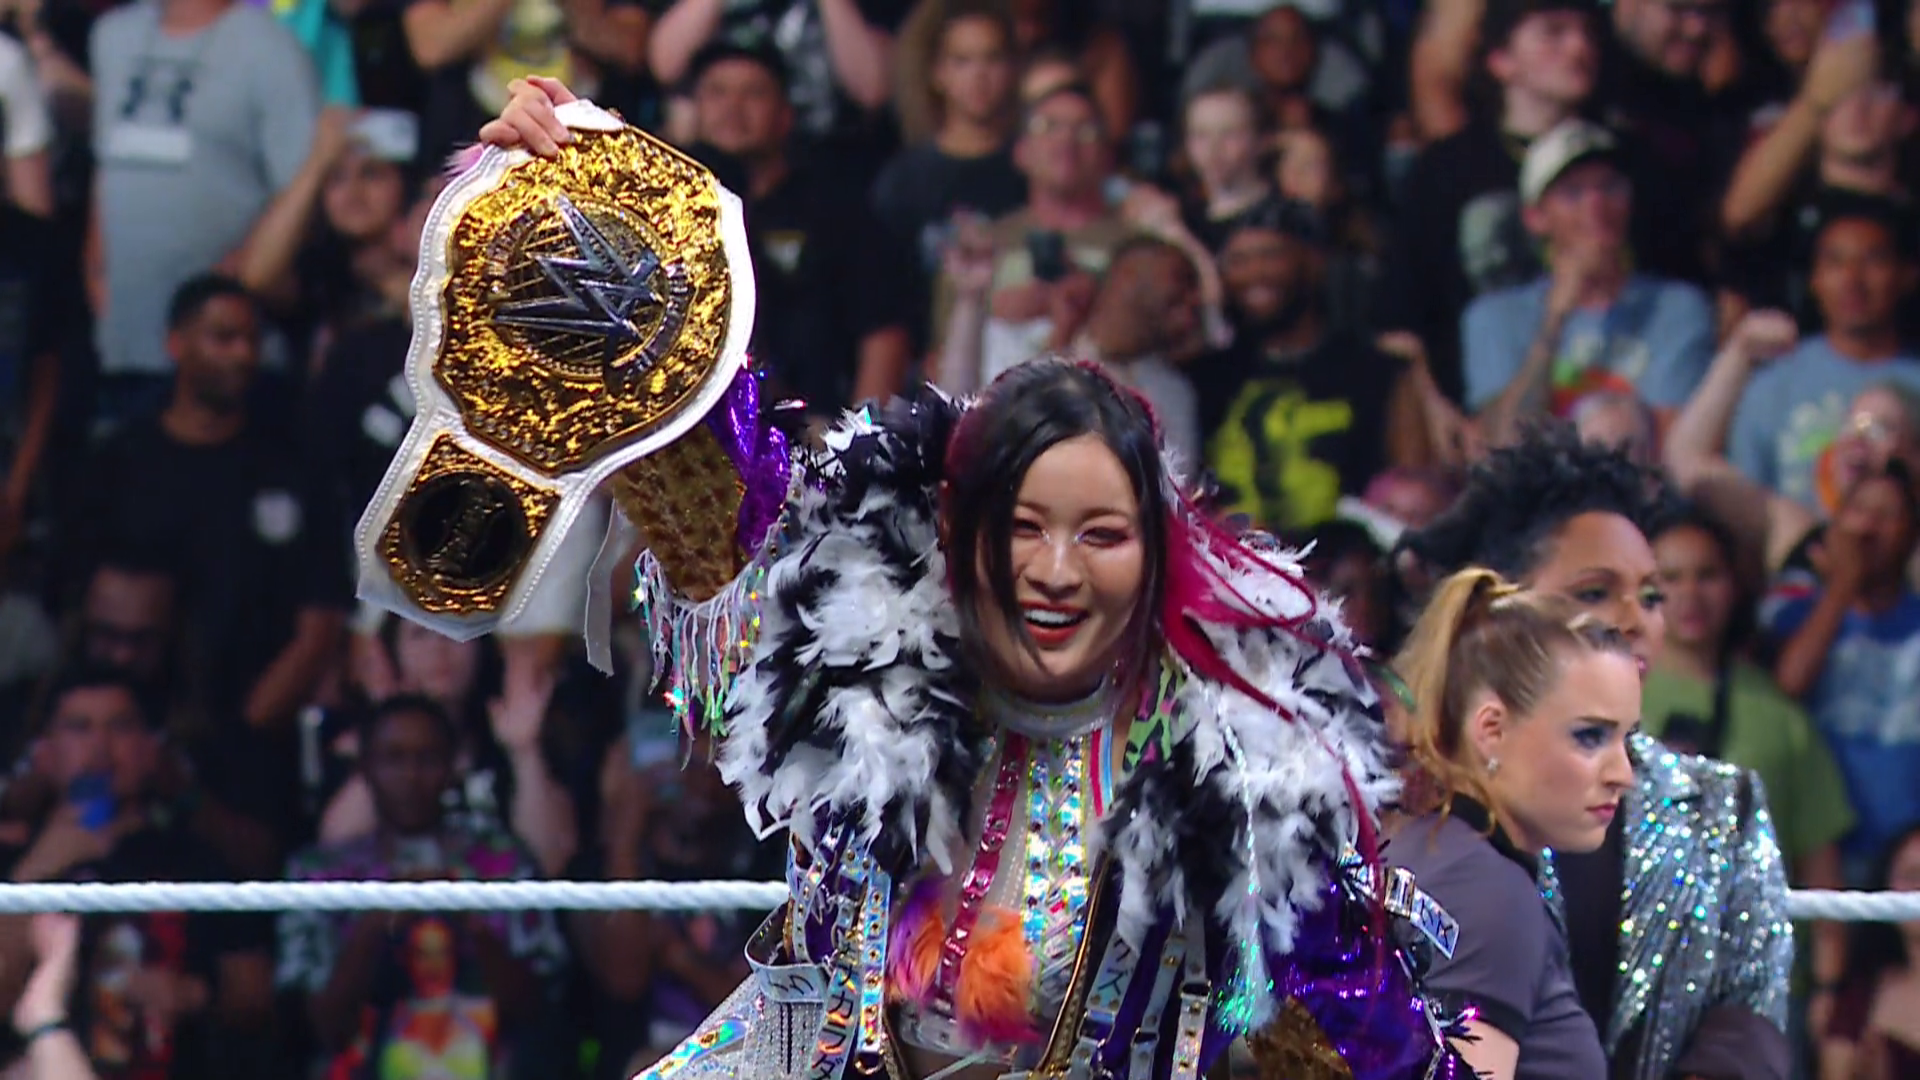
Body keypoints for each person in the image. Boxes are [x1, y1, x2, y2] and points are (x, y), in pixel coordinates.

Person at [412, 75, 1475, 1080]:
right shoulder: (853, 630)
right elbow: (701, 463)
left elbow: (1356, 1046)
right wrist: (578, 201)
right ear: (960, 537)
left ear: (1157, 559)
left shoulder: (1237, 769)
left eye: (1102, 535)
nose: (1055, 573)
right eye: (1022, 528)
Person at [1396, 424, 1794, 1079]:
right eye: (1594, 593)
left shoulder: (1725, 805)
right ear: (1504, 608)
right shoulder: (1414, 808)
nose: (1636, 619)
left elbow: (1752, 1013)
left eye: (1652, 595)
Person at [1390, 568, 1639, 1077]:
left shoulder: (1428, 851)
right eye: (1590, 737)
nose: (1624, 775)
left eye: (1626, 738)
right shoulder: (1490, 892)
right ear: (1492, 731)